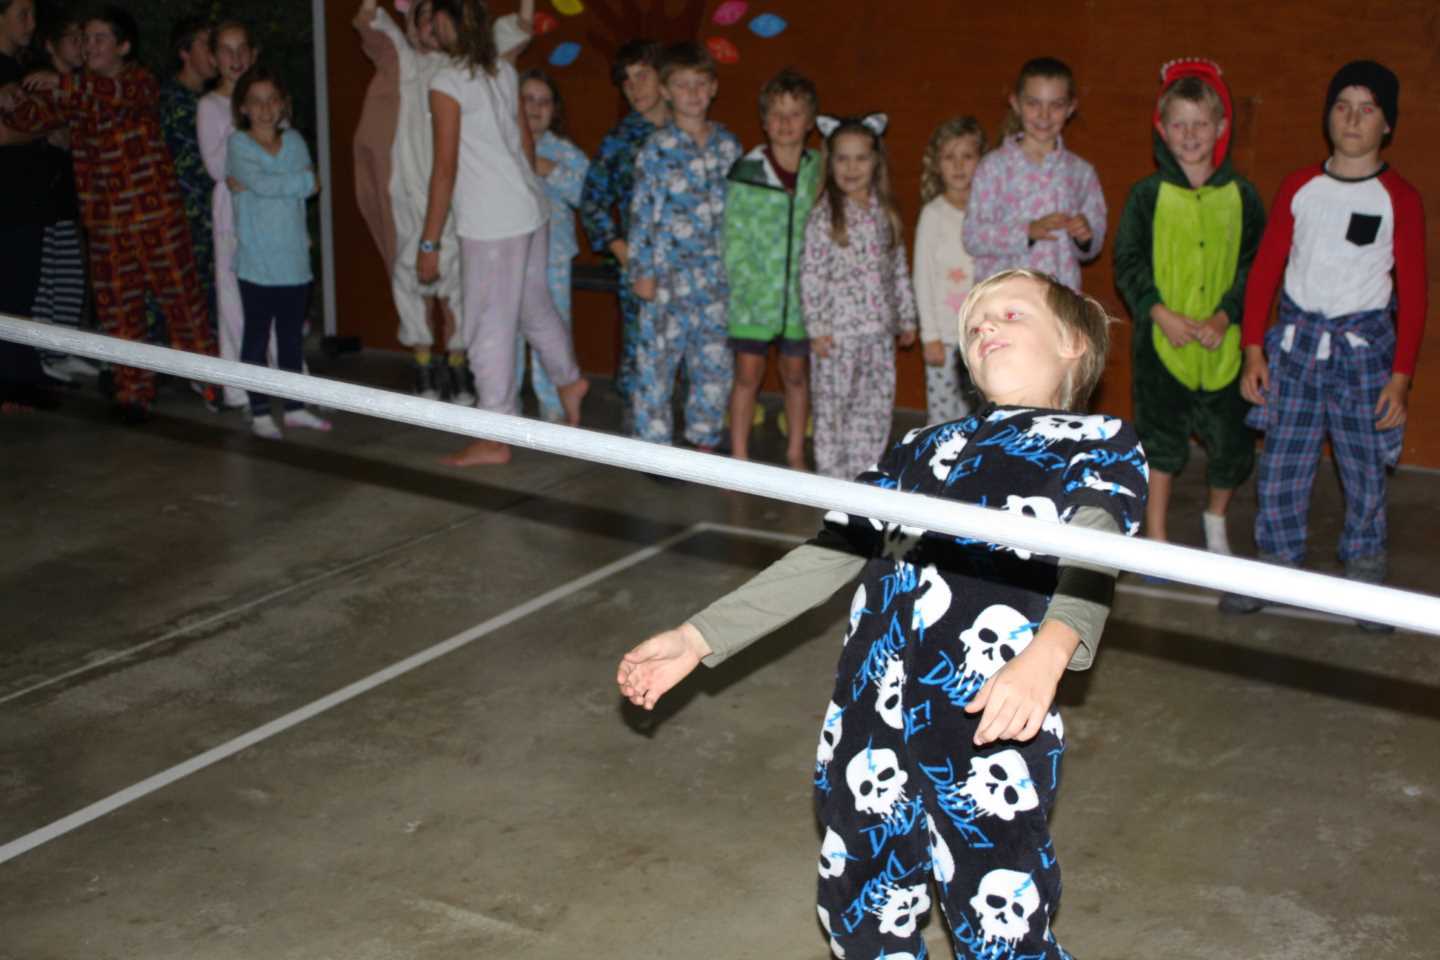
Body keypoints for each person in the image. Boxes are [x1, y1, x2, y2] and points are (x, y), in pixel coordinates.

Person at [618, 267, 1149, 958]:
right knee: (860, 906)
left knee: (1002, 923)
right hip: (870, 717)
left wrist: (1048, 654)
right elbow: (827, 555)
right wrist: (698, 637)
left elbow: (1093, 546)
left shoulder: (1098, 442)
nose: (985, 327)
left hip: (988, 719)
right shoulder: (917, 450)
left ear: (1075, 342)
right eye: (975, 324)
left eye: (1009, 315)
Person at [1225, 61, 1427, 628]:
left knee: (1364, 467)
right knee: (1284, 461)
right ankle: (1274, 561)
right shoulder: (1299, 187)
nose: (1353, 118)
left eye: (1368, 109)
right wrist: (1253, 351)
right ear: (1328, 116)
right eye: (1343, 106)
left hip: (1364, 353)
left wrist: (1401, 376)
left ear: (1387, 124)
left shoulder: (1399, 198)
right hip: (1293, 348)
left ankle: (1365, 569)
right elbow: (1265, 272)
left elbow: (1413, 294)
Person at [0, 4, 217, 421]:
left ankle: (214, 385)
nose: (88, 46)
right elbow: (30, 115)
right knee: (120, 314)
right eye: (84, 39)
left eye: (99, 38)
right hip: (105, 226)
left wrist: (58, 85)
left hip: (155, 221)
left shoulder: (139, 82)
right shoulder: (74, 90)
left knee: (183, 306)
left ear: (123, 46)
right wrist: (13, 96)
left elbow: (105, 96)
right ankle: (134, 395)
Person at [419, 0, 588, 466]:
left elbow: (445, 168)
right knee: (533, 305)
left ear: (450, 22)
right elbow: (525, 144)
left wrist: (429, 241)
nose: (430, 22)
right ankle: (568, 379)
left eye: (434, 14)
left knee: (486, 327)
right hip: (530, 211)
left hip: (493, 224)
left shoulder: (446, 82)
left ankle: (495, 434)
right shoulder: (503, 71)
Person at [1114, 60, 1264, 555]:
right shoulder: (1146, 196)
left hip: (1225, 347)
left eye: (1201, 123)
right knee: (1161, 441)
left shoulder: (1242, 197)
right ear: (1162, 128)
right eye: (1179, 123)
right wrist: (1159, 313)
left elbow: (1254, 269)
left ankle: (1215, 518)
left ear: (1221, 127)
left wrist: (1225, 317)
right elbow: (1128, 263)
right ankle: (1155, 536)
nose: (1191, 134)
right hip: (1163, 345)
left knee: (1232, 444)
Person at [353, 0, 534, 405]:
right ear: (413, 27)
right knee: (407, 273)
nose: (431, 30)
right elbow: (367, 21)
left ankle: (457, 362)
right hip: (407, 189)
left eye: (439, 20)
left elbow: (519, 26)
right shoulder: (403, 60)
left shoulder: (470, 69)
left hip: (456, 196)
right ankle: (422, 360)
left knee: (458, 278)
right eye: (423, 20)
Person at [625, 41, 741, 451]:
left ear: (712, 89)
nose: (692, 93)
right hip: (666, 279)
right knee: (656, 366)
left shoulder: (729, 147)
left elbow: (741, 216)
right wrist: (642, 273)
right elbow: (642, 215)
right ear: (667, 92)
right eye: (682, 85)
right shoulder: (657, 150)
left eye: (700, 84)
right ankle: (653, 447)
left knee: (713, 364)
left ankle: (702, 441)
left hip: (716, 279)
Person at [799, 113, 917, 479]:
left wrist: (907, 317)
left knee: (874, 409)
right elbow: (812, 275)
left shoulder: (885, 214)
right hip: (837, 337)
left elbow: (897, 268)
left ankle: (862, 479)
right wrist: (816, 326)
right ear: (829, 162)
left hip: (877, 335)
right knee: (834, 412)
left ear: (876, 161)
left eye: (861, 158)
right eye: (842, 158)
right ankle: (833, 481)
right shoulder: (825, 216)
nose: (851, 168)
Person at [722, 67, 821, 469]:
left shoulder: (819, 171)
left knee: (796, 374)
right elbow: (732, 239)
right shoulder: (746, 171)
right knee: (747, 374)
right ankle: (739, 456)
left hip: (801, 299)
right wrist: (743, 289)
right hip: (752, 301)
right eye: (776, 114)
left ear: (810, 121)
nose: (785, 123)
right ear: (763, 121)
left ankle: (796, 452)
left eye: (795, 113)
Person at [226, 64, 329, 439]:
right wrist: (293, 182)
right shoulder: (238, 145)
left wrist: (272, 183)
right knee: (255, 338)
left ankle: (295, 407)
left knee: (290, 340)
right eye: (256, 101)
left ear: (282, 104)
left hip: (294, 263)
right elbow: (283, 182)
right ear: (243, 109)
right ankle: (258, 411)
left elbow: (312, 184)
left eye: (272, 100)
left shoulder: (296, 140)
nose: (265, 108)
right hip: (256, 264)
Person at [577, 38, 667, 428]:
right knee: (641, 350)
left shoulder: (692, 130)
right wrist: (619, 247)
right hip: (640, 266)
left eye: (642, 76)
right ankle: (641, 436)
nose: (635, 88)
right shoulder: (621, 139)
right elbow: (592, 199)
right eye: (627, 82)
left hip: (691, 268)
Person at [963, 57, 1106, 292]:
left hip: (1059, 302)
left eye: (1056, 105)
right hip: (1005, 301)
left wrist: (1085, 236)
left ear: (1071, 107)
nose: (1044, 115)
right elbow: (972, 236)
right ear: (1016, 103)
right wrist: (1026, 232)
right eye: (1033, 103)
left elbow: (1093, 243)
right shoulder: (993, 167)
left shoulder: (1081, 173)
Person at [516, 67, 588, 423]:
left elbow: (588, 194)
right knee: (507, 328)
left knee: (553, 326)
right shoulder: (502, 145)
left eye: (544, 101)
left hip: (554, 258)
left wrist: (551, 170)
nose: (535, 107)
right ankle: (504, 402)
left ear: (554, 109)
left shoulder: (564, 151)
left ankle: (554, 401)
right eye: (528, 99)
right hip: (507, 256)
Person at [28, 7, 95, 383]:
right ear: (51, 45)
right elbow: (47, 132)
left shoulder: (80, 84)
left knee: (70, 277)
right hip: (44, 198)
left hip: (71, 198)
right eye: (74, 38)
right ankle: (43, 354)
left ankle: (63, 349)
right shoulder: (39, 82)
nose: (82, 45)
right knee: (46, 278)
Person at [198, 19, 255, 410]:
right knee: (233, 296)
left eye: (241, 49)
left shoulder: (266, 98)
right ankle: (238, 384)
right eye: (226, 50)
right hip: (231, 213)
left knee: (269, 291)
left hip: (267, 210)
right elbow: (219, 168)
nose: (235, 59)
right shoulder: (210, 106)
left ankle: (281, 376)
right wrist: (247, 127)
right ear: (215, 58)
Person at [914, 115, 985, 423]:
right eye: (949, 157)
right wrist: (929, 335)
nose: (958, 166)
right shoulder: (933, 214)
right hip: (944, 337)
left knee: (979, 415)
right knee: (943, 418)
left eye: (967, 156)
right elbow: (923, 278)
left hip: (981, 335)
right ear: (936, 164)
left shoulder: (988, 211)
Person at [0, 0, 51, 412]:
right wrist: (44, 127)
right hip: (6, 203)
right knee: (10, 294)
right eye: (23, 14)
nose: (31, 24)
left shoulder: (27, 70)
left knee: (22, 294)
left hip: (27, 202)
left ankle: (20, 379)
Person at [158, 16, 218, 329]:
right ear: (185, 52)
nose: (215, 54)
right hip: (180, 220)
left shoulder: (215, 100)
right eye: (207, 45)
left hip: (210, 218)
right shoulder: (169, 99)